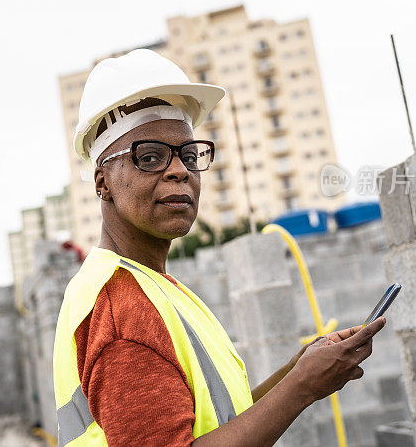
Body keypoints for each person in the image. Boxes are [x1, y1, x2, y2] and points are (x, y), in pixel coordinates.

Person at [52, 49, 386, 446]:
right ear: (102, 181)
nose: (179, 171)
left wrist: (299, 369)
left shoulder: (154, 286)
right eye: (150, 156)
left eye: (189, 156)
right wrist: (301, 387)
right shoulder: (120, 306)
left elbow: (219, 425)